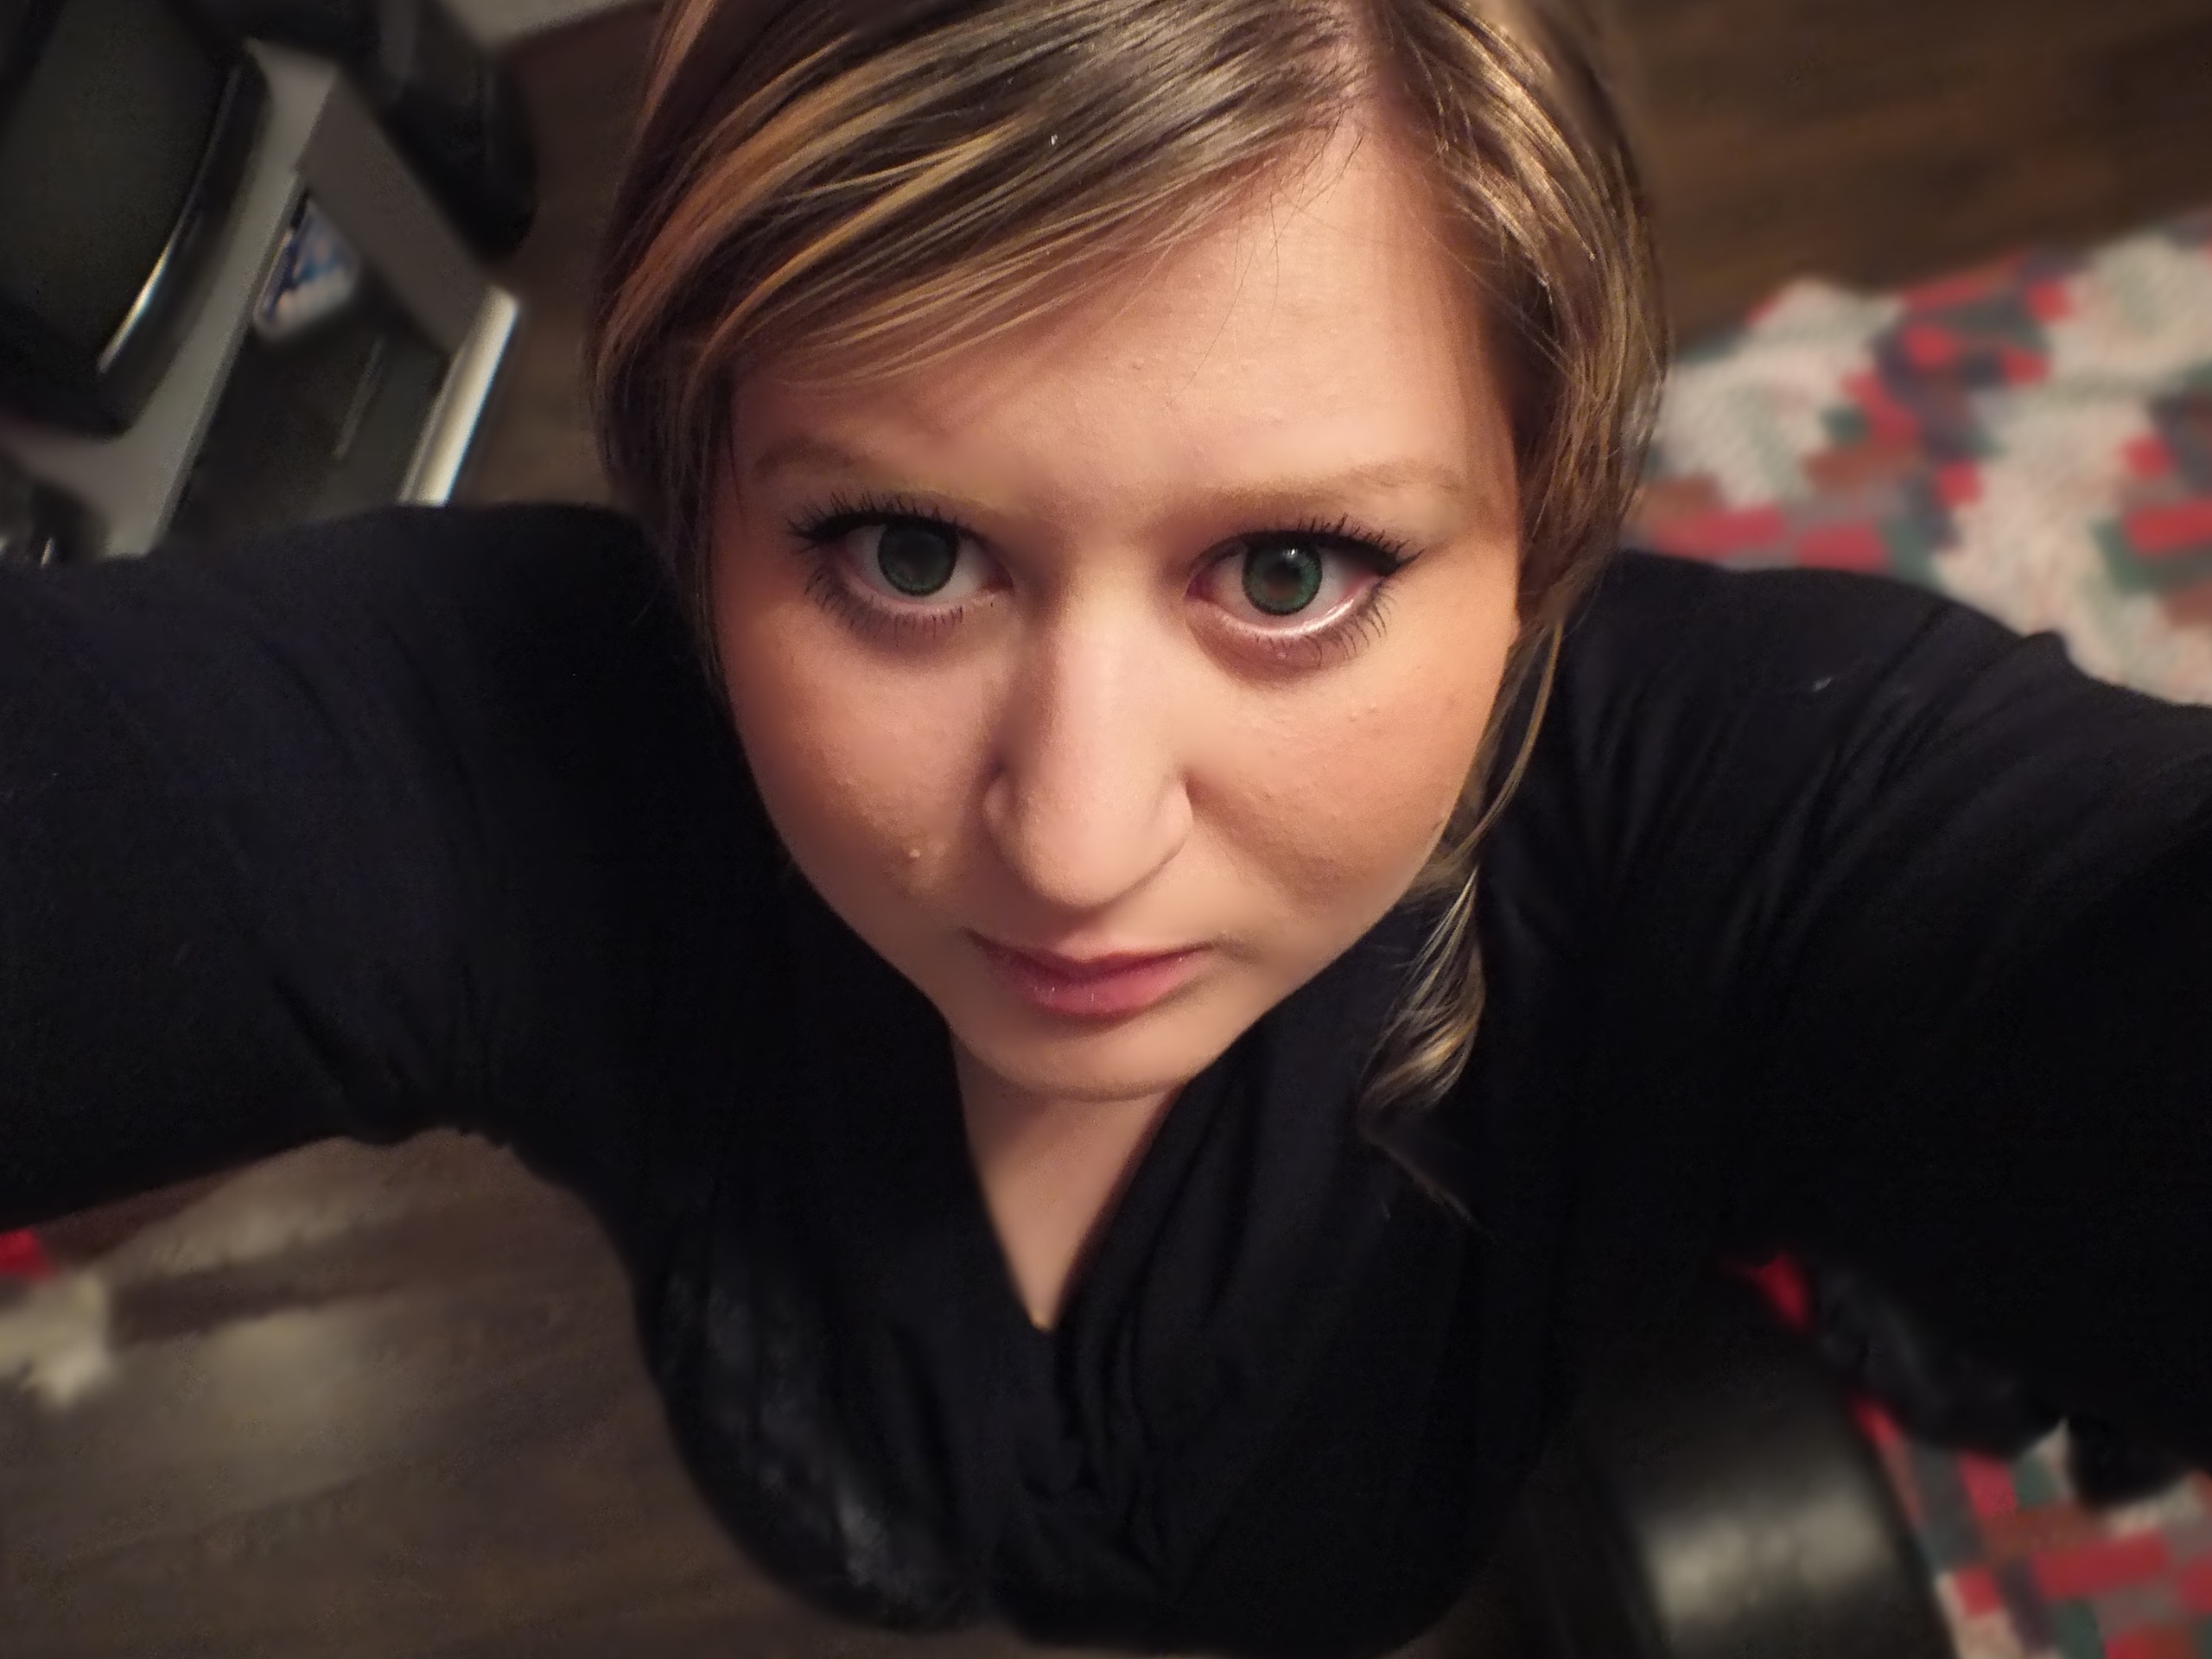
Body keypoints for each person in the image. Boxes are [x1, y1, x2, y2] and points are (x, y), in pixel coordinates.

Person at [5, 1, 2211, 1655]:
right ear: (697, 522)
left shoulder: (1722, 802)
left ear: (1537, 544)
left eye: (1287, 571)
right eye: (903, 553)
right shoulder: (556, 750)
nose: (1069, 845)